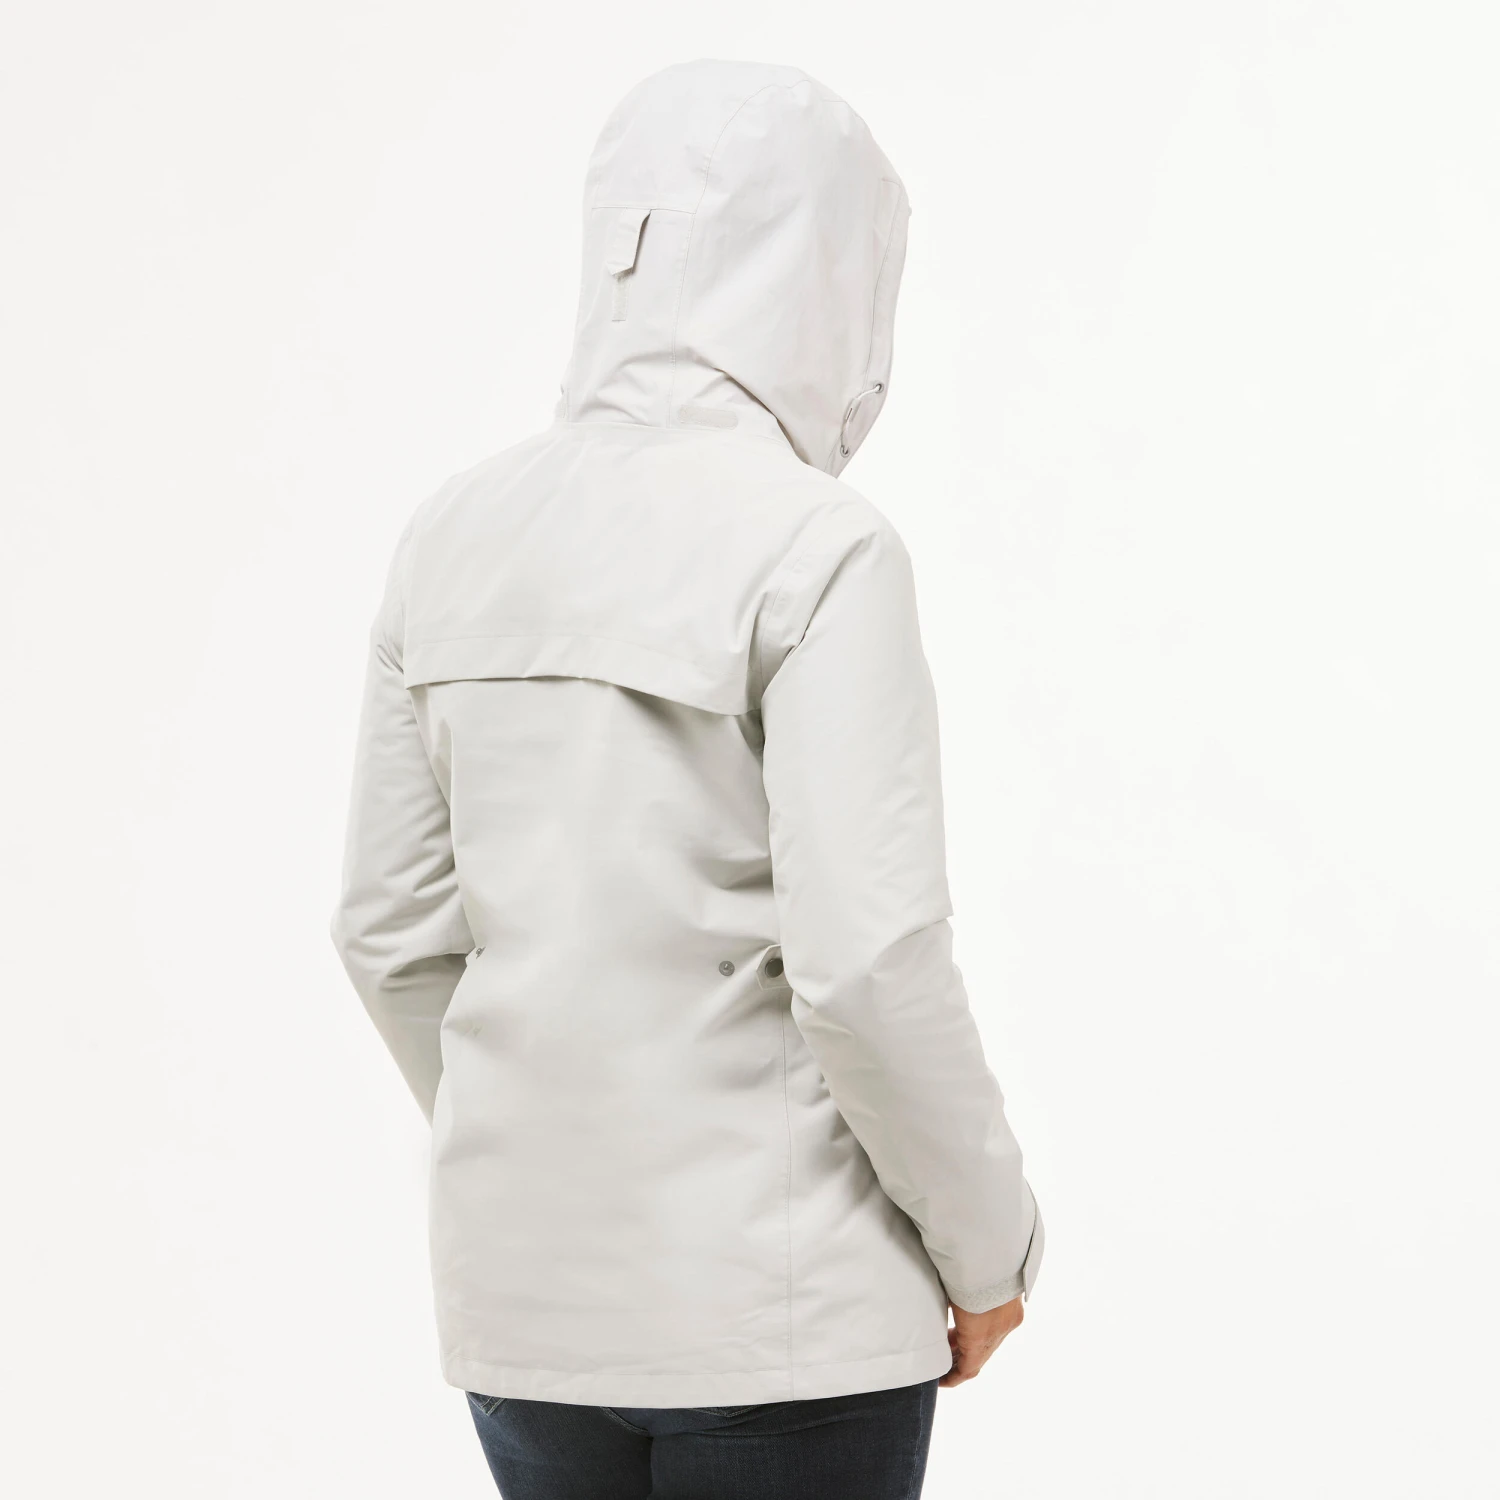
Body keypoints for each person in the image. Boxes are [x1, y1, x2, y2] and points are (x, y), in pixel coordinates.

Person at [331, 58, 1044, 1500]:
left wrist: (549, 1171)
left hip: (527, 1315)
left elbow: (390, 935)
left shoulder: (450, 536)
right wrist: (987, 1250)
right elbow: (870, 964)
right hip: (786, 1324)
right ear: (837, 273)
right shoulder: (819, 547)